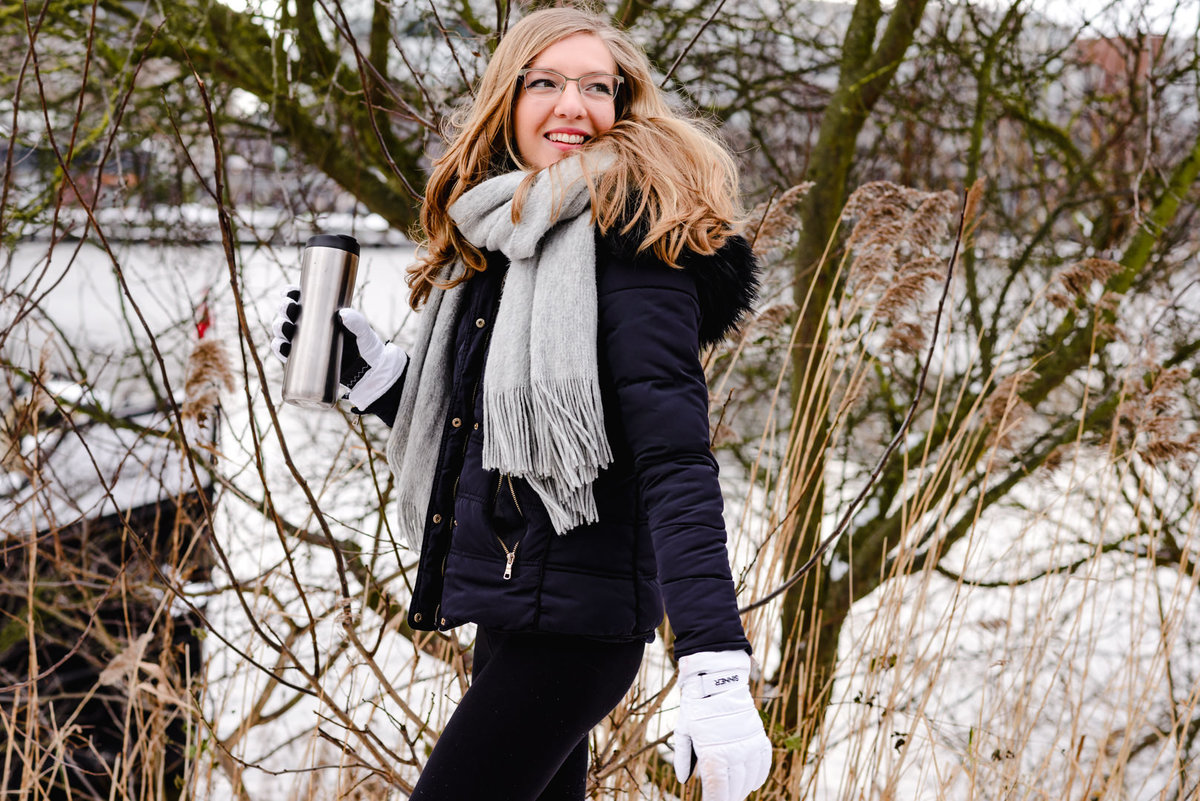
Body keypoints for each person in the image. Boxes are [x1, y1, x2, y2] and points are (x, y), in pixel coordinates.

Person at [271, 7, 771, 800]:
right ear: (508, 98)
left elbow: (675, 459)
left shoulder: (632, 244)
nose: (573, 105)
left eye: (596, 87)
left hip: (574, 632)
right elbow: (491, 437)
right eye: (547, 82)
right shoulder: (504, 236)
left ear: (623, 105)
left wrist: (713, 666)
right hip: (512, 610)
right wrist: (379, 378)